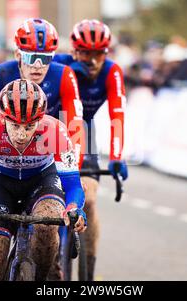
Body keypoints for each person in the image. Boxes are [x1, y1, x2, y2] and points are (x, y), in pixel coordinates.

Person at [0, 79, 86, 281]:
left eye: (30, 126)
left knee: (47, 228)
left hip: (41, 182)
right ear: (3, 118)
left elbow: (73, 185)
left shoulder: (56, 131)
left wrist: (74, 207)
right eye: (15, 125)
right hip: (0, 184)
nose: (21, 134)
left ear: (41, 119)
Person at [54, 19, 128, 281]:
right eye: (86, 52)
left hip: (84, 130)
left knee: (91, 201)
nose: (93, 60)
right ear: (74, 50)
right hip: (53, 130)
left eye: (99, 53)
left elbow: (117, 115)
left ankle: (88, 272)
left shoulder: (112, 72)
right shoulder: (60, 64)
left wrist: (117, 156)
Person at [0, 18, 85, 165]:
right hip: (8, 148)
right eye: (31, 57)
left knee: (85, 185)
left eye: (45, 59)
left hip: (48, 147)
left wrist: (74, 168)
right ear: (18, 55)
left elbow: (75, 126)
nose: (38, 66)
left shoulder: (65, 75)